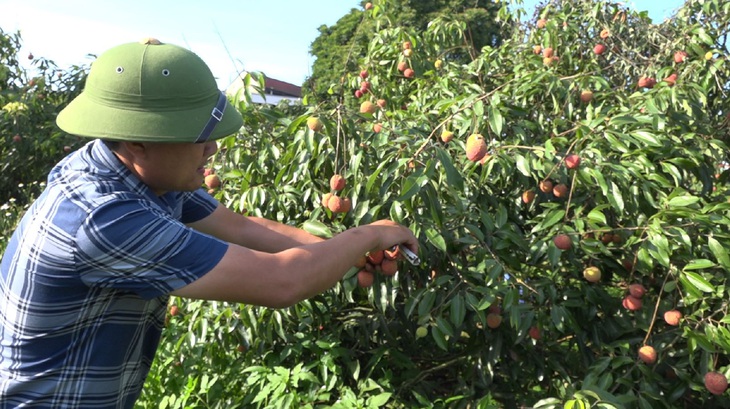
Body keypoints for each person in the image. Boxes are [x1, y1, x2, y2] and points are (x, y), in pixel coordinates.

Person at [0, 38, 418, 408]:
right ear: (137, 139)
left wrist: (351, 253)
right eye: (198, 137)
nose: (213, 148)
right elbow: (281, 283)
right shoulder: (105, 217)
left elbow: (242, 227)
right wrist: (371, 232)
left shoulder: (134, 170)